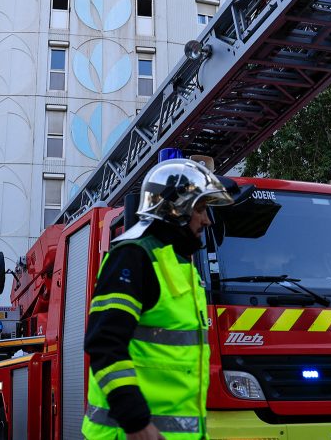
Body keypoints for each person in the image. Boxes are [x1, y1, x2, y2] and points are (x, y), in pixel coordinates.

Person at [81, 157, 233, 440]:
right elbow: (104, 344)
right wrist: (136, 423)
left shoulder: (179, 264)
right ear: (177, 209)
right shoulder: (133, 256)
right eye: (201, 208)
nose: (207, 220)